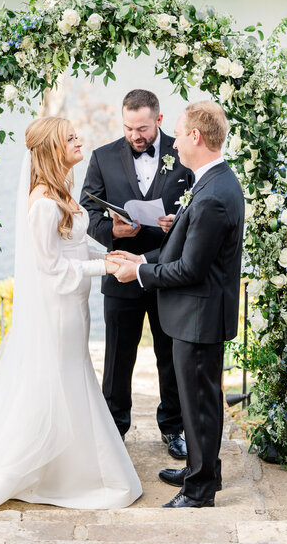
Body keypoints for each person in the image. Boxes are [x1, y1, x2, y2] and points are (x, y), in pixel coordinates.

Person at [0, 117, 142, 510]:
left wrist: (107, 253)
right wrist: (102, 268)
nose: (78, 140)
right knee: (63, 381)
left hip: (75, 309)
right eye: (70, 138)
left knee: (73, 379)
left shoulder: (63, 192)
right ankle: (62, 472)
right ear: (54, 149)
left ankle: (70, 464)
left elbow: (75, 243)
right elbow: (52, 271)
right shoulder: (41, 205)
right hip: (58, 312)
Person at [111, 101, 244, 508]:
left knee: (201, 405)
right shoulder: (212, 181)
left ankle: (201, 489)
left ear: (195, 137)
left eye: (180, 135)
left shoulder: (212, 196)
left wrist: (138, 275)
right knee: (195, 400)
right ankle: (199, 470)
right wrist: (144, 259)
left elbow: (190, 269)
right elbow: (182, 246)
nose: (174, 148)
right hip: (195, 315)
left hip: (199, 317)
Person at [80, 90, 192, 458]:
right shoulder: (102, 157)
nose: (135, 136)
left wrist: (178, 222)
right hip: (120, 273)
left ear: (159, 120)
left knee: (169, 355)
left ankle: (173, 428)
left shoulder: (185, 154)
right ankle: (115, 429)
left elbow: (200, 209)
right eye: (128, 128)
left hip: (167, 272)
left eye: (142, 128)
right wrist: (111, 231)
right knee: (117, 358)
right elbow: (87, 215)